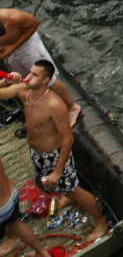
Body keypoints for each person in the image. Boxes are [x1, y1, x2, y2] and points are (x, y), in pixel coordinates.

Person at [0, 62, 108, 245]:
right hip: (36, 152)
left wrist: (58, 172)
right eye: (29, 72)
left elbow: (68, 140)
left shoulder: (54, 105)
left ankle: (100, 221)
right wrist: (5, 81)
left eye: (34, 74)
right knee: (56, 186)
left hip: (55, 155)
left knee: (74, 190)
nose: (28, 76)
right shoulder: (23, 90)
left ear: (45, 80)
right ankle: (66, 194)